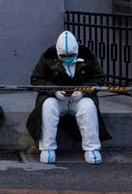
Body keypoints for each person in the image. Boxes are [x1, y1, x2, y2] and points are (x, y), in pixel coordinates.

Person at [26, 30, 110, 165]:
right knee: (48, 107)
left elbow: (99, 78)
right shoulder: (47, 58)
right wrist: (54, 91)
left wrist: (84, 91)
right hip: (57, 98)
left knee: (88, 108)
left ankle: (92, 148)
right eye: (64, 56)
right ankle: (47, 148)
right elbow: (36, 79)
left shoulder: (88, 57)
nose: (67, 58)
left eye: (71, 55)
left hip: (79, 97)